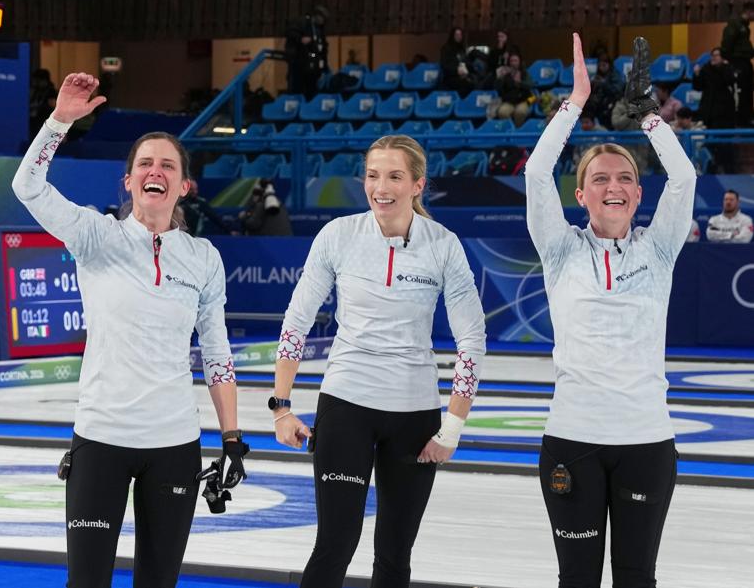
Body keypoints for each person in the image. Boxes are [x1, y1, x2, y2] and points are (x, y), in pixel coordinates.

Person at [11, 73, 246, 588]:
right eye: (145, 164)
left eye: (167, 165)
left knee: (157, 582)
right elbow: (26, 186)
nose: (154, 171)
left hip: (175, 444)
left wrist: (231, 436)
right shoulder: (95, 235)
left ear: (184, 185)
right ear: (129, 181)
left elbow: (217, 351)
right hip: (102, 438)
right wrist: (60, 121)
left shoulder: (204, 257)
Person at [273, 135, 486, 588]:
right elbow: (297, 320)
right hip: (347, 404)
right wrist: (282, 405)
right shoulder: (338, 235)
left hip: (415, 415)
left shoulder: (443, 245)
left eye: (394, 176)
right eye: (372, 175)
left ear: (417, 185)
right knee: (335, 542)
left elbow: (472, 338)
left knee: (394, 551)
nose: (380, 186)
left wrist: (452, 427)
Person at [526, 34, 694, 587]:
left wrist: (647, 115)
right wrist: (575, 102)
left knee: (636, 579)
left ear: (640, 196)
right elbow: (535, 173)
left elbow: (685, 177)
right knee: (576, 580)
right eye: (599, 178)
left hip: (647, 441)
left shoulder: (659, 248)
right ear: (581, 196)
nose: (614, 186)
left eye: (626, 179)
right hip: (571, 440)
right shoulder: (559, 249)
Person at [720, 1, 754, 125]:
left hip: (745, 63)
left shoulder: (745, 27)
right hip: (737, 63)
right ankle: (739, 121)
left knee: (747, 92)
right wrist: (729, 62)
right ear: (749, 11)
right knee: (739, 94)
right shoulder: (735, 25)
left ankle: (747, 118)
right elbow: (726, 44)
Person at [495, 52, 535, 126]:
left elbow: (531, 85)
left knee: (520, 112)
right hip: (509, 101)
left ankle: (517, 130)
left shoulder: (524, 73)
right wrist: (500, 79)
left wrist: (519, 83)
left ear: (519, 62)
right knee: (502, 112)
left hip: (524, 100)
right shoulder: (505, 74)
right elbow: (499, 90)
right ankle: (509, 128)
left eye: (515, 60)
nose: (513, 63)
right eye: (511, 61)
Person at [440, 27, 473, 96]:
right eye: (457, 35)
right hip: (451, 77)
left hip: (464, 76)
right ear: (453, 36)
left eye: (460, 35)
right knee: (465, 85)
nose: (459, 37)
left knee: (473, 83)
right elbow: (444, 65)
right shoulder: (446, 48)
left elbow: (466, 62)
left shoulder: (462, 49)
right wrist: (456, 70)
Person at [28, 68, 58, 135]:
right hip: (34, 120)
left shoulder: (51, 91)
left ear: (44, 80)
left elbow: (52, 106)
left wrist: (38, 106)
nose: (35, 82)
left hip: (43, 120)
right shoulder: (36, 90)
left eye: (37, 80)